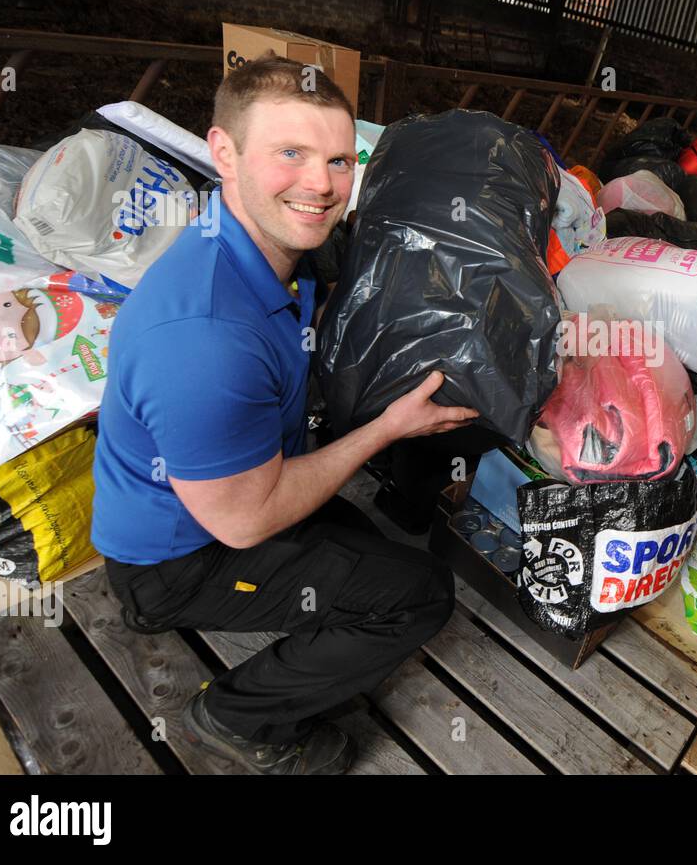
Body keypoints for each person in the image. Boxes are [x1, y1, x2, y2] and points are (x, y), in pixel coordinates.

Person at [90, 54, 477, 775]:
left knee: (377, 552)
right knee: (419, 595)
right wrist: (389, 426)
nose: (322, 184)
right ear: (224, 151)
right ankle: (233, 720)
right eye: (291, 154)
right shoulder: (204, 340)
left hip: (237, 486)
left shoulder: (265, 247)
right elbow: (245, 522)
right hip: (178, 558)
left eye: (338, 159)